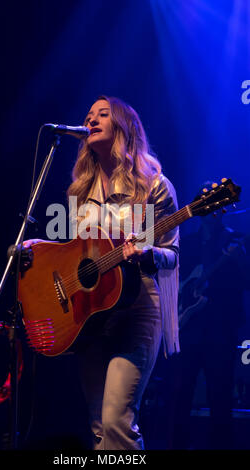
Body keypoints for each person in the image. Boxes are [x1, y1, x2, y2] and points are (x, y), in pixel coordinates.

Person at [24, 95, 180, 450]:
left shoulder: (154, 184)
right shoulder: (81, 190)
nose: (91, 120)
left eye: (102, 115)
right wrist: (39, 249)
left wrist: (147, 251)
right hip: (90, 312)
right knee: (97, 426)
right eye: (88, 116)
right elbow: (74, 253)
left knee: (116, 423)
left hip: (136, 305)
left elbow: (172, 254)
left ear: (124, 126)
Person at [166, 183, 250, 450]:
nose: (213, 211)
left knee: (220, 399)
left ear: (223, 209)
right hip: (187, 330)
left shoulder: (237, 241)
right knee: (179, 398)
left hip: (221, 331)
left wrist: (241, 261)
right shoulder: (185, 243)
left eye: (217, 206)